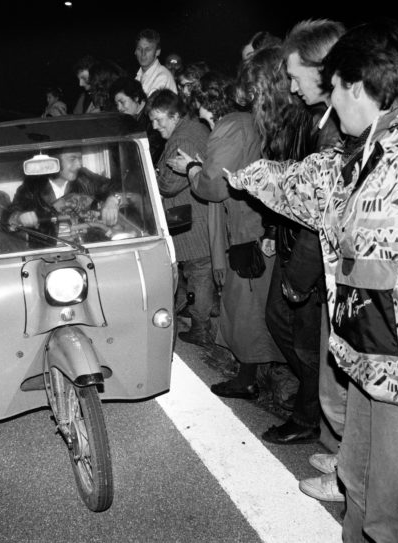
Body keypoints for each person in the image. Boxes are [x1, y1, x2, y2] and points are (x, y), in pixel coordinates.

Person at [226, 20, 398, 542]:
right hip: (370, 370)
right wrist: (237, 176)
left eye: (331, 89)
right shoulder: (364, 155)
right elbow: (299, 185)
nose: (325, 103)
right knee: (359, 493)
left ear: (356, 85)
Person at [168, 50, 286, 398]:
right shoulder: (246, 122)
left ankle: (248, 378)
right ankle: (253, 371)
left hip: (245, 230)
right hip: (251, 225)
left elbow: (214, 186)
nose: (201, 120)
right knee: (247, 302)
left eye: (201, 112)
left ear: (208, 104)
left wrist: (191, 169)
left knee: (243, 303)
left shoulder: (229, 127)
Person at [271, 18, 348, 502]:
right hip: (331, 270)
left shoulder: (338, 129)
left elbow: (319, 215)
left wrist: (298, 277)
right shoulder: (326, 121)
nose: (292, 87)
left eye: (297, 76)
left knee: (337, 376)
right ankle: (343, 458)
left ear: (326, 71)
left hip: (332, 271)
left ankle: (348, 474)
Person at [146, 89, 214, 345]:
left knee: (199, 272)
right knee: (198, 272)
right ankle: (196, 314)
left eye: (159, 119)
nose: (154, 126)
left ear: (174, 115)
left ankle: (201, 328)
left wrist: (158, 173)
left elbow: (169, 184)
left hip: (195, 220)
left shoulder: (183, 139)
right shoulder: (191, 129)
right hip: (197, 215)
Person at [5, 147, 119, 244]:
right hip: (48, 252)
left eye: (80, 158)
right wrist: (18, 217)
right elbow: (9, 215)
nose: (79, 165)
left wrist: (112, 200)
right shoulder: (32, 187)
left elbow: (115, 187)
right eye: (73, 159)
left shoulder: (85, 178)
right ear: (54, 161)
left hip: (86, 247)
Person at [109, 76, 164, 165]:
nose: (119, 108)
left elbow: (148, 156)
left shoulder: (152, 121)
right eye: (116, 104)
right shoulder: (128, 118)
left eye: (122, 102)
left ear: (136, 97)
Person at [134, 28, 177, 97]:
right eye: (139, 49)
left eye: (147, 49)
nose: (143, 54)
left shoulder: (162, 77)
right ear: (135, 51)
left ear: (157, 52)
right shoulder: (138, 76)